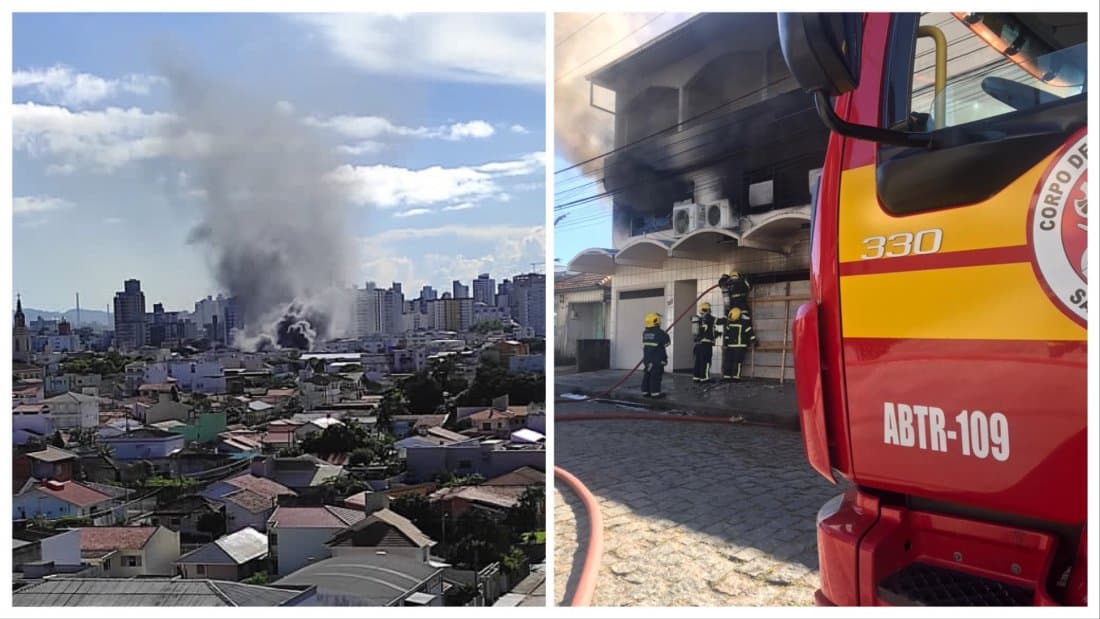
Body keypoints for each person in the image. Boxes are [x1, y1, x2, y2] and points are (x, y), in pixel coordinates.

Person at [721, 306, 757, 381]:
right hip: (739, 347)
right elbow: (750, 333)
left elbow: (726, 335)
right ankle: (734, 377)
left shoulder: (730, 324)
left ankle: (728, 377)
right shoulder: (744, 323)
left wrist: (725, 344)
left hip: (731, 347)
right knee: (736, 362)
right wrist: (754, 342)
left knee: (729, 361)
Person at [641, 312, 670, 398]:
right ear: (656, 321)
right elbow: (667, 343)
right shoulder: (660, 332)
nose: (660, 321)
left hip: (647, 359)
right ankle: (655, 393)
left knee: (647, 374)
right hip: (657, 359)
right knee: (656, 376)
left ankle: (645, 392)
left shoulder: (645, 332)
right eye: (659, 320)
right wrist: (665, 334)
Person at [691, 302, 717, 382]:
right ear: (707, 309)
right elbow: (719, 321)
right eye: (709, 309)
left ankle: (696, 377)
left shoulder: (699, 319)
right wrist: (727, 316)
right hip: (706, 344)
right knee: (706, 362)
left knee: (698, 361)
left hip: (698, 344)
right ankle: (704, 378)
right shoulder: (708, 317)